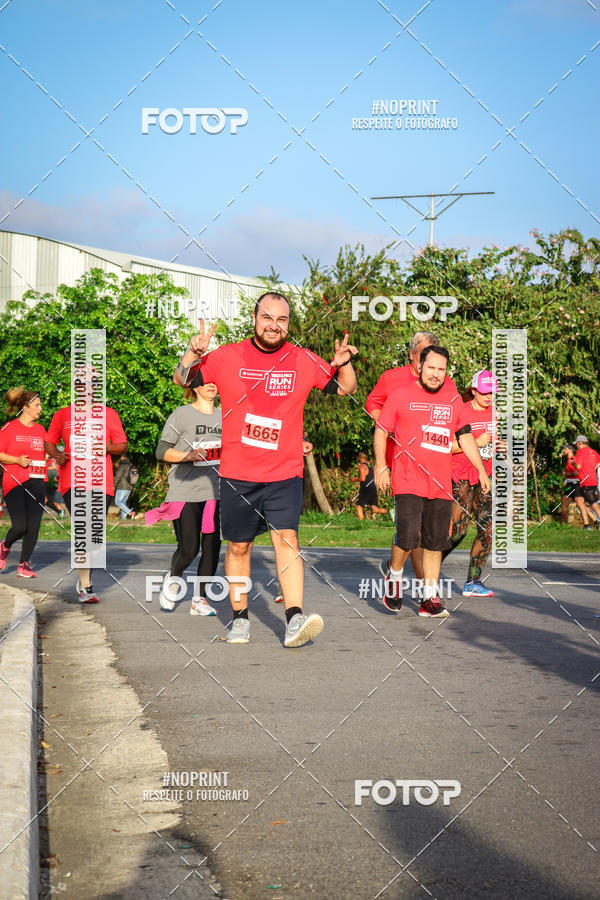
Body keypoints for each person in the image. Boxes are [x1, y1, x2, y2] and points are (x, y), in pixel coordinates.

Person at [173, 291, 357, 646]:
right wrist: (193, 353)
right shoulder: (227, 357)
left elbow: (346, 388)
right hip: (238, 474)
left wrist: (344, 362)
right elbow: (182, 379)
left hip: (284, 472)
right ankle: (240, 619)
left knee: (287, 540)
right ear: (255, 319)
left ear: (289, 324)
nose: (274, 325)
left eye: (282, 319)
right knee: (238, 548)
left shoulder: (303, 359)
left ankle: (294, 618)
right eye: (267, 318)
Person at [374, 346, 490, 617]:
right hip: (407, 480)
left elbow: (465, 437)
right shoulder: (401, 395)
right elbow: (381, 430)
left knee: (435, 542)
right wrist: (381, 466)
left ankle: (429, 599)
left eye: (441, 369)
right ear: (419, 367)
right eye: (431, 368)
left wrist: (481, 470)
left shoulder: (453, 399)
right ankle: (394, 576)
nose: (436, 374)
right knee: (408, 537)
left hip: (440, 483)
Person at [366, 331, 458, 599]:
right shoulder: (392, 378)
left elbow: (455, 420)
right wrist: (389, 425)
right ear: (412, 355)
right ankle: (408, 581)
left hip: (436, 469)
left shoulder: (445, 383)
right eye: (423, 355)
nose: (431, 365)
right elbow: (372, 403)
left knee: (430, 534)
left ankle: (426, 592)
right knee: (410, 532)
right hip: (401, 464)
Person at [45, 380, 127, 603]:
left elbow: (122, 445)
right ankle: (86, 586)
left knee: (95, 536)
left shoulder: (109, 414)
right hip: (73, 481)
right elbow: (49, 441)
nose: (86, 389)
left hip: (101, 482)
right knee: (83, 531)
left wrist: (107, 447)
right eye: (82, 384)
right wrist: (57, 455)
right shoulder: (62, 415)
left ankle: (85, 578)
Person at [148, 380, 223, 616]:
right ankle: (173, 579)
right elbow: (161, 451)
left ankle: (199, 600)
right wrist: (187, 456)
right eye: (206, 382)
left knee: (212, 546)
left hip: (216, 492)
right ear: (195, 387)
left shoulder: (225, 416)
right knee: (189, 549)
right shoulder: (181, 414)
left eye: (215, 381)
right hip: (185, 491)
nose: (211, 385)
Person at [442, 370, 497, 597]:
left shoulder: (496, 414)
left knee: (488, 529)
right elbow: (445, 445)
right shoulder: (460, 411)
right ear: (473, 390)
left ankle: (473, 582)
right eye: (484, 392)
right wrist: (476, 441)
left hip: (485, 475)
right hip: (461, 475)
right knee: (459, 531)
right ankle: (428, 564)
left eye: (492, 393)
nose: (489, 397)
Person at [0, 387, 47, 577]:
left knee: (34, 526)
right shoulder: (9, 428)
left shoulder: (41, 430)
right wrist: (17, 460)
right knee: (20, 526)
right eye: (37, 405)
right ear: (26, 407)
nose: (40, 408)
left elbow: (45, 454)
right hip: (14, 482)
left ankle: (24, 565)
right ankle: (5, 546)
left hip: (36, 482)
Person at [561, 443, 593, 527]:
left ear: (570, 450)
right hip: (574, 484)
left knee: (564, 505)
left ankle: (564, 526)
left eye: (565, 449)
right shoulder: (571, 460)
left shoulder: (572, 460)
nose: (564, 451)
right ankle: (595, 521)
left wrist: (566, 474)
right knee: (581, 504)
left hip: (573, 485)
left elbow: (576, 473)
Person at [572, 435, 600, 528]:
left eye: (577, 444)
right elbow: (598, 462)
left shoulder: (580, 451)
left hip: (586, 481)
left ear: (580, 443)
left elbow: (578, 466)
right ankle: (586, 525)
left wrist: (573, 463)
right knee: (578, 500)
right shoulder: (593, 451)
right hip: (588, 481)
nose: (576, 445)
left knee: (593, 503)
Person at [353, 451, 388, 520]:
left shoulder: (362, 466)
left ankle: (361, 524)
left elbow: (363, 479)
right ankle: (390, 513)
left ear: (360, 457)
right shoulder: (370, 465)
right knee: (375, 509)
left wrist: (354, 479)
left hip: (366, 489)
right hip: (373, 488)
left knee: (359, 506)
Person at [113, 453, 137, 519]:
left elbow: (118, 476)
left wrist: (114, 485)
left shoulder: (122, 465)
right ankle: (124, 519)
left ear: (122, 458)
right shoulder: (131, 465)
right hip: (130, 487)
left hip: (122, 487)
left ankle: (130, 512)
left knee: (117, 502)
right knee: (123, 503)